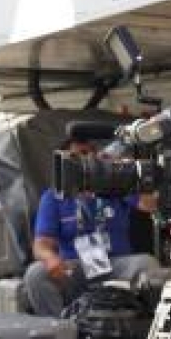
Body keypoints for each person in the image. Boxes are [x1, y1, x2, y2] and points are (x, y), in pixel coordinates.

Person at [24, 134, 161, 317]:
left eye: (90, 153)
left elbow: (150, 205)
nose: (85, 159)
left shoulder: (114, 186)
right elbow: (41, 244)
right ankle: (60, 328)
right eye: (78, 155)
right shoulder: (53, 197)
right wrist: (50, 259)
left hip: (115, 263)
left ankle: (145, 328)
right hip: (75, 266)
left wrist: (126, 174)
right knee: (36, 274)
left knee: (147, 264)